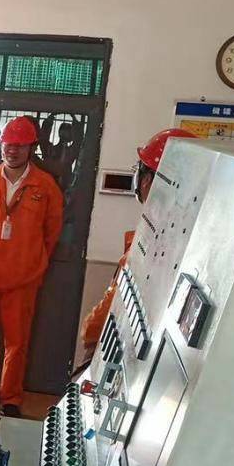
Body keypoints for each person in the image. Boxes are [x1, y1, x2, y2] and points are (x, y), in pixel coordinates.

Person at [0, 117, 64, 418]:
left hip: (23, 278)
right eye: (8, 144)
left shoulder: (45, 186)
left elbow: (52, 232)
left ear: (31, 148)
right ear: (0, 145)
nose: (12, 150)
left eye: (19, 145)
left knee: (17, 343)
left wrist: (33, 260)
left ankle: (10, 398)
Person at [80, 128, 197, 357]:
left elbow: (106, 314)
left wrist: (88, 330)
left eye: (140, 170)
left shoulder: (149, 243)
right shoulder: (182, 233)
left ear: (148, 181)